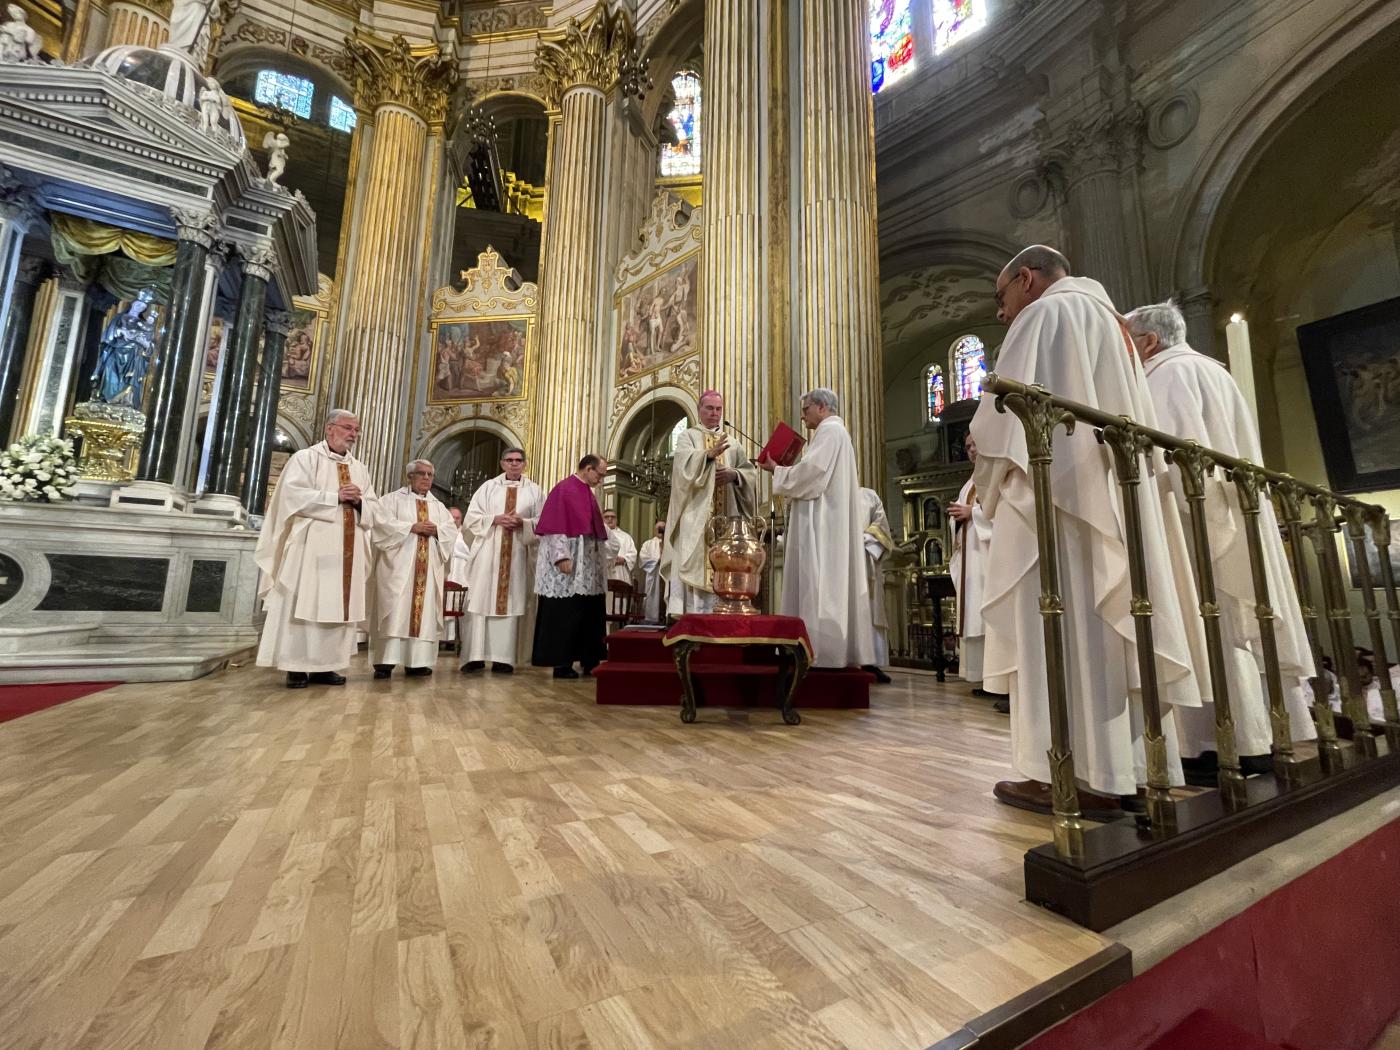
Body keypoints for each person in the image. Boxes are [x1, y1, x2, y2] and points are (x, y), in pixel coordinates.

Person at [969, 246, 1205, 817]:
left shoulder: (1043, 315)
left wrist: (982, 454)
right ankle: (1123, 769)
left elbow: (1004, 412)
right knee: (1106, 629)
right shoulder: (1113, 325)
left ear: (1025, 280)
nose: (1003, 313)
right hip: (1105, 500)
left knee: (1058, 628)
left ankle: (1065, 774)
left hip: (1056, 504)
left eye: (1002, 299)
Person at [1129, 299, 1316, 780]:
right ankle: (1258, 736)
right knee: (1235, 629)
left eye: (1130, 342)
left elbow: (1171, 458)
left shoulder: (1164, 376)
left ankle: (1218, 744)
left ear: (1149, 341)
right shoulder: (1216, 373)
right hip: (1233, 513)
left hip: (1195, 520)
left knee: (1208, 627)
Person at [255, 409, 379, 688]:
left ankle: (327, 666)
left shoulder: (360, 469)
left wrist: (360, 503)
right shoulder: (305, 459)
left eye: (356, 430)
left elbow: (374, 505)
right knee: (305, 603)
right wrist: (334, 496)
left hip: (348, 549)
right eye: (348, 428)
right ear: (329, 428)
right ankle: (296, 666)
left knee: (337, 606)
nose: (353, 435)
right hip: (312, 547)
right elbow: (290, 496)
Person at [759, 389, 875, 669]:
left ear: (822, 407)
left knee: (820, 583)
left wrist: (777, 469)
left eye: (806, 408)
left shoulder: (830, 432)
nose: (803, 415)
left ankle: (820, 651)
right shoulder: (835, 433)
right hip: (827, 519)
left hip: (823, 525)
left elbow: (813, 474)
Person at [661, 390, 759, 615]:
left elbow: (749, 473)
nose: (714, 413)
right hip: (695, 516)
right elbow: (681, 471)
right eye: (709, 408)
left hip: (727, 518)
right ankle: (691, 614)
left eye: (718, 409)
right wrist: (707, 455)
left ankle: (721, 612)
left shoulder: (733, 443)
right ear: (699, 410)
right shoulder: (688, 437)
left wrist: (734, 475)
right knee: (692, 561)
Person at [368, 460, 457, 678]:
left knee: (423, 614)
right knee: (394, 610)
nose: (426, 478)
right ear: (409, 476)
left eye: (430, 474)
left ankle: (417, 662)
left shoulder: (439, 507)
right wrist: (411, 527)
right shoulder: (390, 500)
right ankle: (385, 662)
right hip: (397, 569)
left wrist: (438, 531)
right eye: (421, 474)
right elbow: (380, 527)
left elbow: (452, 532)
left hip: (427, 572)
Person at [460, 448, 543, 674]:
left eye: (518, 460)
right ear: (502, 463)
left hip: (517, 556)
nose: (514, 464)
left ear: (525, 464)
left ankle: (503, 659)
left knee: (512, 603)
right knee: (480, 602)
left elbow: (543, 523)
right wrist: (494, 519)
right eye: (509, 460)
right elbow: (471, 520)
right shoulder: (487, 488)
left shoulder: (535, 491)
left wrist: (523, 523)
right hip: (488, 554)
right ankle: (474, 656)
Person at [531, 455, 610, 679]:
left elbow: (596, 528)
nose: (601, 480)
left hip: (587, 566)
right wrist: (560, 557)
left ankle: (589, 660)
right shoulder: (564, 489)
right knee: (565, 614)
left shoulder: (587, 492)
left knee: (589, 611)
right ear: (587, 468)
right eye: (600, 475)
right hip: (569, 564)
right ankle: (561, 663)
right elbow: (555, 526)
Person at [948, 435, 1003, 710]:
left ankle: (999, 681)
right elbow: (964, 513)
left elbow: (1002, 510)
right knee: (975, 619)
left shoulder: (995, 472)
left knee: (990, 617)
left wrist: (973, 512)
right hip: (972, 558)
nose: (970, 450)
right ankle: (985, 679)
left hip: (989, 559)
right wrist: (958, 516)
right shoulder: (972, 480)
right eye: (967, 446)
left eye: (974, 445)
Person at [858, 487, 895, 684]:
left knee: (870, 610)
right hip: (840, 561)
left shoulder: (868, 496)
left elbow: (881, 525)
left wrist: (865, 540)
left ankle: (871, 662)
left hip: (866, 560)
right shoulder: (827, 494)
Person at [637, 518, 668, 623]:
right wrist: (657, 561)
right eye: (659, 528)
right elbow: (643, 558)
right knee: (652, 597)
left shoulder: (671, 543)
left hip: (667, 576)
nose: (661, 530)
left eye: (663, 528)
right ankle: (652, 620)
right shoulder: (648, 544)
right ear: (654, 530)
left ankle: (667, 617)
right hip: (653, 575)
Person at [602, 508, 638, 587]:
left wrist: (624, 559)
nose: (610, 519)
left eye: (613, 517)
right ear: (602, 519)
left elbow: (633, 553)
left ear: (616, 520)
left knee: (621, 597)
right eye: (606, 517)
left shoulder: (626, 537)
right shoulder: (598, 536)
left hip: (621, 571)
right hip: (604, 571)